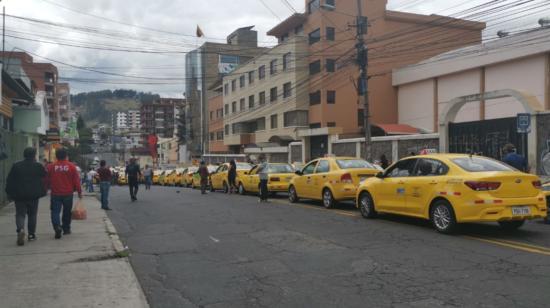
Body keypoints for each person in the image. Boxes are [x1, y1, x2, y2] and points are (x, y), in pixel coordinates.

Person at [5, 147, 47, 246]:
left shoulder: (16, 165)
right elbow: (44, 175)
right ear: (34, 155)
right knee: (32, 215)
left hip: (19, 195)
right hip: (33, 195)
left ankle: (20, 229)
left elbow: (10, 180)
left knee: (20, 214)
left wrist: (9, 192)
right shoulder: (38, 166)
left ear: (24, 154)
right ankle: (31, 235)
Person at [47, 148, 82, 239]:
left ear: (56, 156)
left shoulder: (51, 166)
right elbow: (76, 181)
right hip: (68, 193)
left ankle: (57, 227)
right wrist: (79, 192)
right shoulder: (71, 166)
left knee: (55, 211)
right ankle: (66, 229)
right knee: (67, 212)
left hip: (55, 193)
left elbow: (46, 179)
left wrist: (45, 189)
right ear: (66, 156)